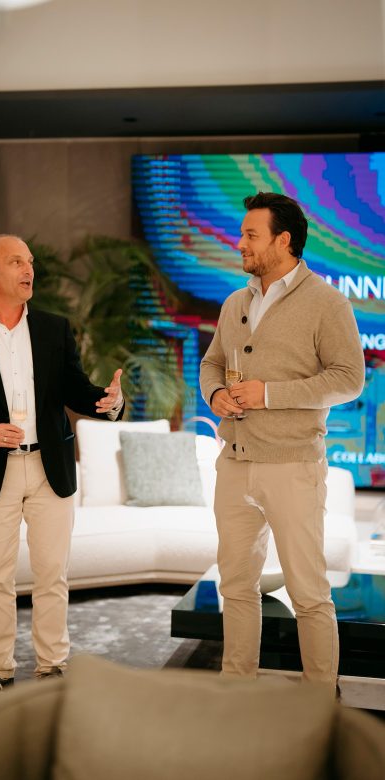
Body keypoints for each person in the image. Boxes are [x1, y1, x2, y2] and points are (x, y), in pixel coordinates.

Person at [0, 234, 124, 707]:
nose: (28, 269)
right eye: (16, 261)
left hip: (48, 467)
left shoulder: (54, 328)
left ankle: (53, 668)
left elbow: (75, 390)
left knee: (52, 575)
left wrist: (108, 401)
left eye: (30, 261)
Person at [200, 192, 365, 690]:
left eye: (251, 234)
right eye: (242, 233)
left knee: (308, 593)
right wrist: (215, 395)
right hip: (234, 463)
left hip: (292, 466)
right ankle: (237, 693)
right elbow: (211, 362)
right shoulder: (236, 302)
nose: (240, 242)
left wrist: (268, 394)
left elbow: (349, 379)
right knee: (236, 587)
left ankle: (320, 702)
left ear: (283, 240)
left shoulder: (327, 302)